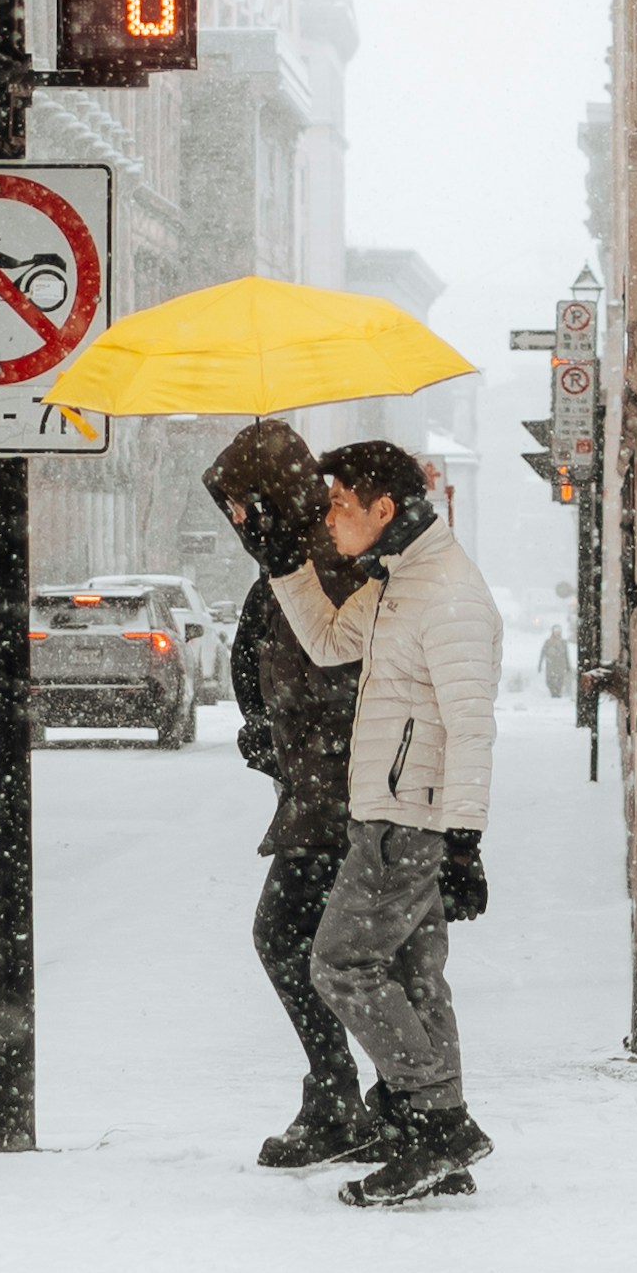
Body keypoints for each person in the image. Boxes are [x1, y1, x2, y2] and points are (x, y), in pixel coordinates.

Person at [265, 433, 500, 1204]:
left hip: (409, 818)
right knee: (410, 972)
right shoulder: (400, 581)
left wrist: (462, 838)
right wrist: (284, 568)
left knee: (339, 964)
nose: (329, 516)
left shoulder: (448, 595)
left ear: (384, 507)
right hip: (395, 811)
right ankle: (439, 1145)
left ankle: (439, 1123)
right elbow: (331, 642)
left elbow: (471, 724)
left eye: (340, 502)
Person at [200, 419, 368, 1171]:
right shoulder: (286, 561)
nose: (235, 517)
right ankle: (367, 1099)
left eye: (241, 500)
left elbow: (335, 677)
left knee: (297, 941)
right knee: (334, 952)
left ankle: (351, 1100)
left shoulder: (320, 566)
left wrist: (289, 739)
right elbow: (263, 674)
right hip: (322, 790)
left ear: (272, 496)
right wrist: (265, 730)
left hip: (340, 794)